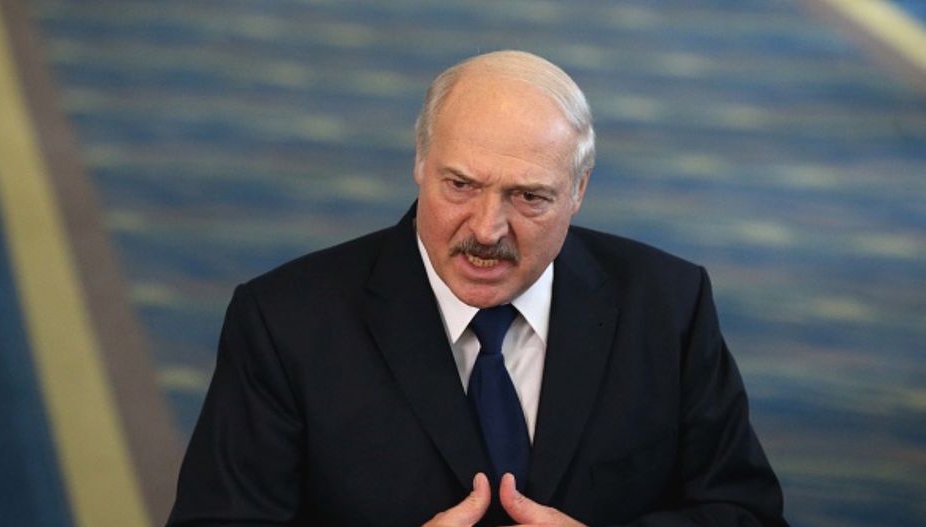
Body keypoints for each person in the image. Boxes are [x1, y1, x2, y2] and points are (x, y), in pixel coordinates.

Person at [167, 50, 787, 526]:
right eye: (460, 185)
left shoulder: (668, 305)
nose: (487, 230)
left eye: (529, 196)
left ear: (578, 191)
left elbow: (747, 514)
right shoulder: (285, 323)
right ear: (419, 163)